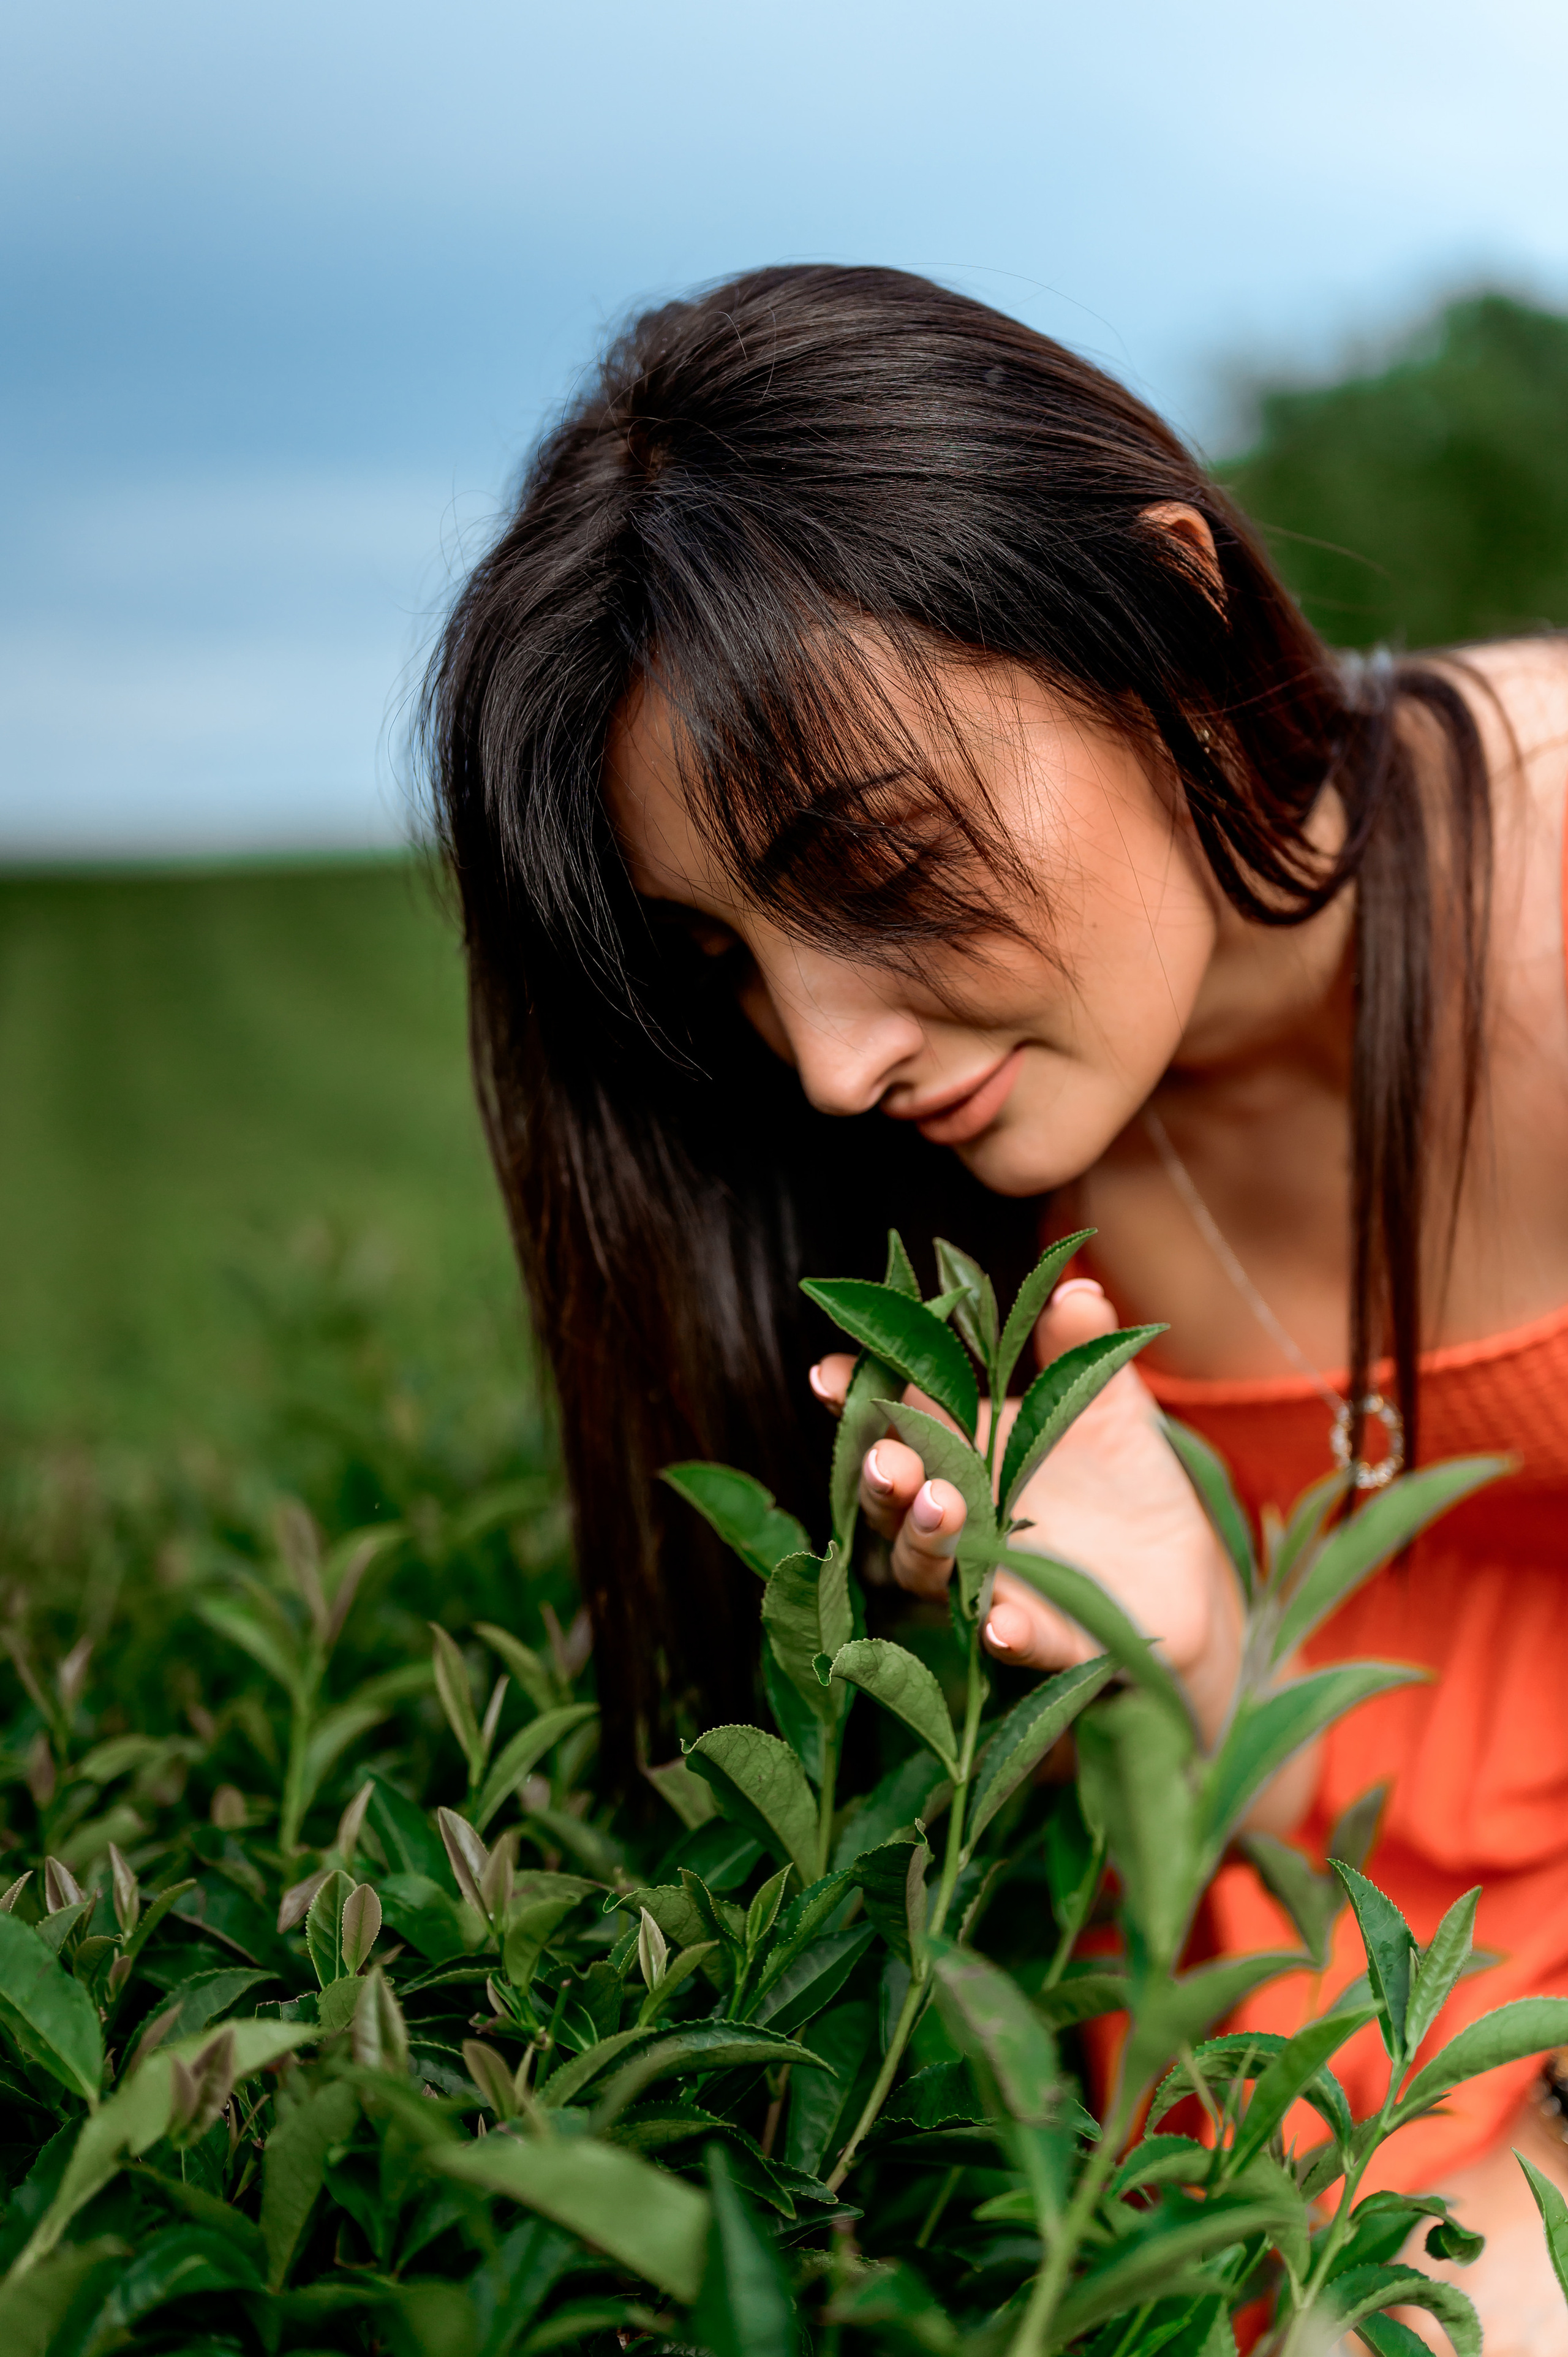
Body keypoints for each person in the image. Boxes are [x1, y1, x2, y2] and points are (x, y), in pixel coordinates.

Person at [422, 264, 1568, 2351]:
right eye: (724, 964)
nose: (830, 1057)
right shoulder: (940, 1219)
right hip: (1312, 1996)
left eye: (869, 860)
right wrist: (1181, 1657)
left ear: (1172, 621)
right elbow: (1258, 1843)